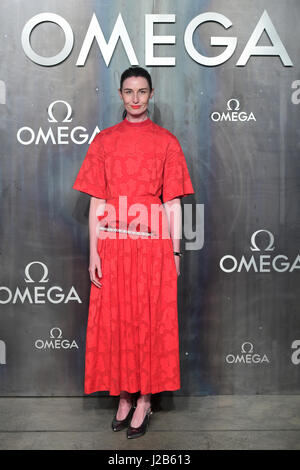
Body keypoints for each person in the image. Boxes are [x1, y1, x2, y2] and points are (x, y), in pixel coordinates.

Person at [72, 66, 195, 439]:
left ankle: (145, 399)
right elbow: (96, 202)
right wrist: (94, 252)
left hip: (154, 246)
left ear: (151, 94)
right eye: (129, 91)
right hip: (113, 244)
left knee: (149, 320)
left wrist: (175, 253)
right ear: (121, 95)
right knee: (118, 320)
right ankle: (123, 395)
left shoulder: (167, 142)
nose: (136, 98)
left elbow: (172, 205)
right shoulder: (104, 142)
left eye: (142, 91)